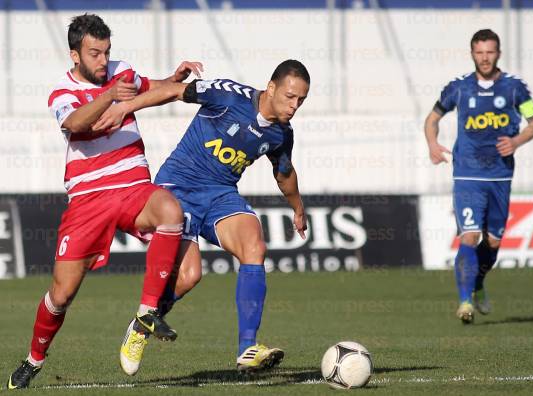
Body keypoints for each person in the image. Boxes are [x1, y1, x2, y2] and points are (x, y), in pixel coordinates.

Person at [7, 14, 203, 389]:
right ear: (75, 55)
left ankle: (145, 316)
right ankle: (34, 359)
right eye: (94, 53)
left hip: (132, 185)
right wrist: (109, 96)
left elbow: (149, 88)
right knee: (61, 293)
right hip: (88, 199)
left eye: (106, 52)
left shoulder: (122, 72)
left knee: (176, 226)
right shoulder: (61, 92)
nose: (102, 60)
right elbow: (76, 124)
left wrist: (174, 79)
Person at [92, 60, 309, 374]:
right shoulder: (229, 96)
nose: (295, 105)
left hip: (220, 193)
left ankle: (247, 347)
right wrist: (125, 108)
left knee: (254, 244)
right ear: (272, 87)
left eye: (301, 100)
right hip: (179, 186)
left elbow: (284, 173)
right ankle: (141, 327)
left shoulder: (281, 134)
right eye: (290, 97)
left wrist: (298, 208)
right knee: (189, 275)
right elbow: (173, 91)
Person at [423, 29, 533, 324]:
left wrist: (516, 142)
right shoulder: (459, 88)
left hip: (500, 177)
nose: (485, 57)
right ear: (472, 53)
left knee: (493, 242)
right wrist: (432, 145)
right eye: (479, 52)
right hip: (467, 175)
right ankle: (464, 302)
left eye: (490, 52)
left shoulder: (514, 89)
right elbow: (432, 119)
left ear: (498, 53)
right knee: (469, 235)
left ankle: (477, 284)